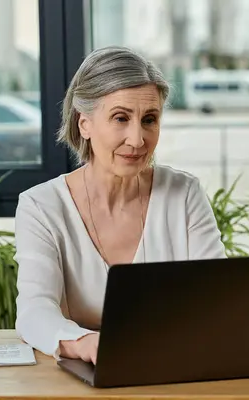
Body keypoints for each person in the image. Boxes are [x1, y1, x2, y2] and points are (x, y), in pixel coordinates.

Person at [13, 46, 226, 365]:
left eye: (149, 119)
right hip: (84, 375)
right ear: (84, 124)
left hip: (174, 368)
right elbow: (34, 311)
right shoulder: (41, 206)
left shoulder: (184, 193)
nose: (138, 139)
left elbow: (218, 297)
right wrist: (85, 343)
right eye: (120, 118)